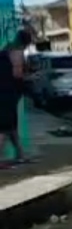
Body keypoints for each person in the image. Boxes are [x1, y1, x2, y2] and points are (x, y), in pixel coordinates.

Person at [0, 29, 33, 167]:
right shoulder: (17, 52)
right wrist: (29, 78)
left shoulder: (5, 49)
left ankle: (21, 154)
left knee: (12, 127)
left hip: (4, 92)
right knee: (4, 127)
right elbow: (17, 75)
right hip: (7, 93)